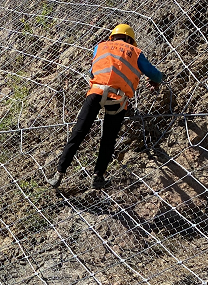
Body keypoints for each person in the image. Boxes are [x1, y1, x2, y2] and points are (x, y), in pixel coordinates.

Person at [49, 23, 165, 190]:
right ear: (128, 39)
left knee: (79, 132)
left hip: (96, 92)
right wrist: (157, 79)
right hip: (118, 99)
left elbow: (93, 71)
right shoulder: (135, 52)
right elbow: (154, 74)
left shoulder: (100, 47)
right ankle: (98, 176)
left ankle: (59, 173)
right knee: (108, 139)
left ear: (113, 37)